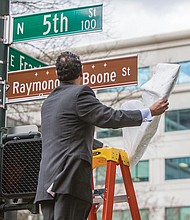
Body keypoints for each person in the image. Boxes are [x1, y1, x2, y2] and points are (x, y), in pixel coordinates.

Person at [35, 51, 169, 220]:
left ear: (57, 75)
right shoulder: (80, 94)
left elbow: (66, 137)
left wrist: (103, 147)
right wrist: (148, 112)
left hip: (47, 183)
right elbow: (109, 117)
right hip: (68, 180)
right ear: (81, 72)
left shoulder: (48, 103)